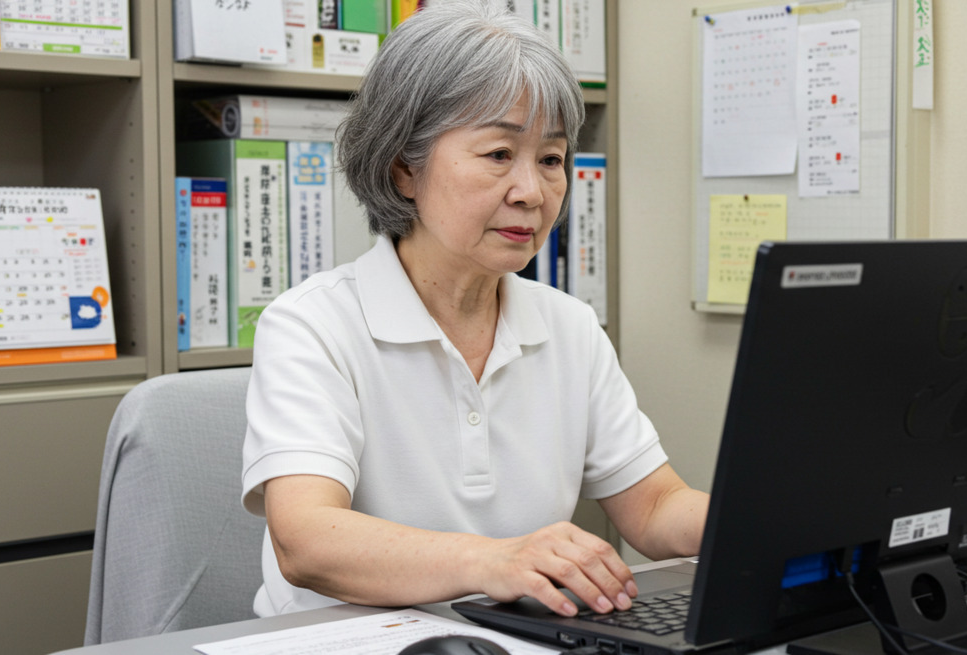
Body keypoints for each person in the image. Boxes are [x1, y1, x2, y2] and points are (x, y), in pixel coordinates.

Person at [241, 0, 709, 619]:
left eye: (551, 159)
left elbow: (654, 508)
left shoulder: (569, 327)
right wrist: (493, 560)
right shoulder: (313, 325)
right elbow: (305, 542)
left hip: (512, 640)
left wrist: (775, 522)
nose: (532, 192)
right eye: (498, 155)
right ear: (403, 169)